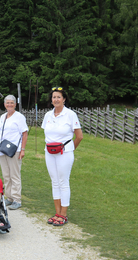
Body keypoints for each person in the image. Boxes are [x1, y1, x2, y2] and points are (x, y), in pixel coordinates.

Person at [41, 87, 83, 226]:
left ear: (64, 99)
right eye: (54, 97)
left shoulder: (70, 114)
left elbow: (79, 136)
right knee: (54, 181)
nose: (56, 99)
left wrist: (69, 149)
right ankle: (57, 212)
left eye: (59, 97)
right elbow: (46, 134)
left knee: (63, 182)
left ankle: (63, 214)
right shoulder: (48, 115)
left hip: (64, 152)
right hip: (49, 152)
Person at [0, 95, 28, 210]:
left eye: (11, 103)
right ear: (4, 104)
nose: (9, 105)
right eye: (7, 103)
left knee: (14, 175)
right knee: (6, 175)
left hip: (14, 149)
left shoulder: (19, 117)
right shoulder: (3, 116)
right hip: (2, 149)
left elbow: (24, 133)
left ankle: (17, 199)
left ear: (15, 104)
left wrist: (23, 150)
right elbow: (1, 135)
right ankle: (9, 197)